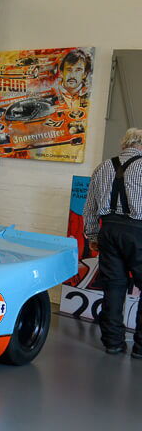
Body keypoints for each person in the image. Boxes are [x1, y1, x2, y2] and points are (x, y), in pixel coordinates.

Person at [83, 128, 142, 358]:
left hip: (109, 231)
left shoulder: (102, 167)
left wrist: (93, 236)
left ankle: (113, 343)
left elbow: (90, 208)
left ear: (124, 144)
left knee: (113, 288)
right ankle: (140, 348)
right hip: (138, 232)